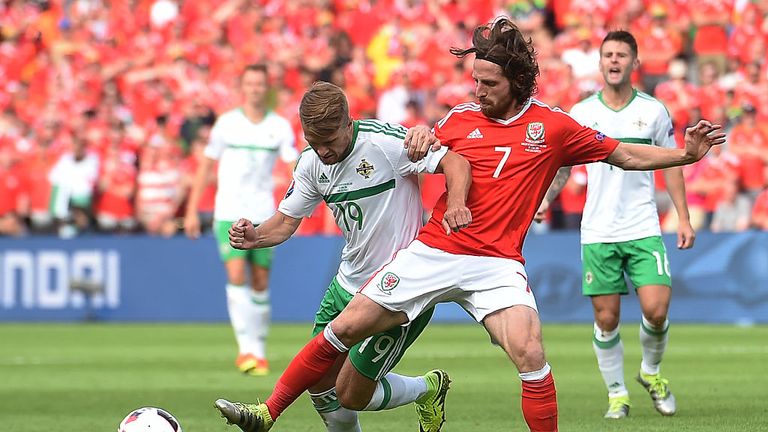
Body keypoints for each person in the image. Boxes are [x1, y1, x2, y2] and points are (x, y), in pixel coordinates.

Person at [215, 18, 725, 432]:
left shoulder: (554, 125)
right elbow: (424, 143)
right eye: (475, 80)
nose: (478, 90)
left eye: (490, 83)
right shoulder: (459, 117)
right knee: (343, 329)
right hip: (434, 249)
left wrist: (684, 153)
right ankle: (268, 413)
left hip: (497, 262)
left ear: (517, 82)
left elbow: (624, 155)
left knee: (530, 351)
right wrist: (418, 135)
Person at [221, 81, 471, 432]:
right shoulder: (310, 164)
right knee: (320, 383)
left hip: (403, 289)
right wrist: (255, 236)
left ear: (346, 123)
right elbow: (284, 223)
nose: (323, 152)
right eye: (314, 142)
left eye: (329, 142)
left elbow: (456, 163)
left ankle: (426, 388)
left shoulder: (384, 143)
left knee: (351, 392)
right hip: (347, 283)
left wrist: (456, 204)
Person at [537, 30, 694, 420]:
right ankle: (617, 393)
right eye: (608, 54)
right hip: (598, 230)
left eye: (621, 54)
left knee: (656, 310)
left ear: (635, 62)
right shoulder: (582, 113)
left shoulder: (654, 111)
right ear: (600, 61)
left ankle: (650, 372)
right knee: (606, 319)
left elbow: (672, 163)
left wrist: (684, 217)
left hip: (643, 225)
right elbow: (563, 166)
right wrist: (545, 200)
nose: (613, 60)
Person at [184, 64, 298, 376]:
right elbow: (206, 167)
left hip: (263, 212)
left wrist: (301, 201)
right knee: (236, 275)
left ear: (267, 88)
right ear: (242, 87)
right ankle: (246, 349)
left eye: (260, 84)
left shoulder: (278, 126)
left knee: (260, 282)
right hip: (229, 211)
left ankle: (258, 348)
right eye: (249, 83)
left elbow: (294, 169)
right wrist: (193, 209)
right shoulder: (227, 124)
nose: (254, 89)